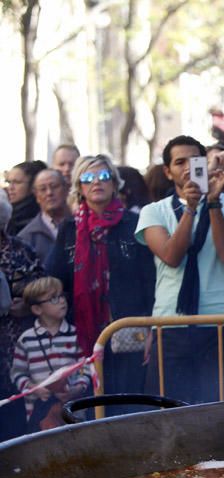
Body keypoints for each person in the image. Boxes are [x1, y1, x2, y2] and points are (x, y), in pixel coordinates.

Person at [136, 136, 224, 404]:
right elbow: (171, 256)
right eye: (179, 162)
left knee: (219, 402)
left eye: (194, 160)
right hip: (170, 323)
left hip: (217, 322)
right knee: (168, 406)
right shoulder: (154, 211)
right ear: (167, 171)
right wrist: (189, 209)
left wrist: (212, 203)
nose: (188, 167)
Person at [46, 155, 155, 413]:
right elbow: (54, 278)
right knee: (92, 402)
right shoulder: (70, 229)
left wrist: (151, 324)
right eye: (88, 178)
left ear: (115, 184)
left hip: (129, 327)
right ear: (79, 187)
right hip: (83, 331)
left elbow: (150, 279)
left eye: (104, 176)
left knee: (128, 402)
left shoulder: (134, 223)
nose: (96, 182)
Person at [11, 277, 91, 433]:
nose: (62, 301)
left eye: (62, 296)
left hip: (72, 410)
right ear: (37, 309)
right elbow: (17, 373)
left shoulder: (74, 335)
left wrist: (78, 388)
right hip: (40, 410)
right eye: (54, 298)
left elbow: (86, 367)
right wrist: (33, 388)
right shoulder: (26, 339)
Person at [0, 193, 44, 441]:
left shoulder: (21, 250)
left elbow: (44, 290)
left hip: (14, 353)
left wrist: (27, 305)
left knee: (13, 430)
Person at [17, 169, 72, 263]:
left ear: (66, 189)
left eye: (54, 187)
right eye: (43, 189)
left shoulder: (81, 224)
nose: (49, 193)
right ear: (36, 196)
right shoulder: (26, 237)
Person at [5, 160, 46, 236]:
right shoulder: (6, 214)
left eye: (17, 182)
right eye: (9, 182)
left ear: (33, 186)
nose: (10, 187)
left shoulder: (40, 216)